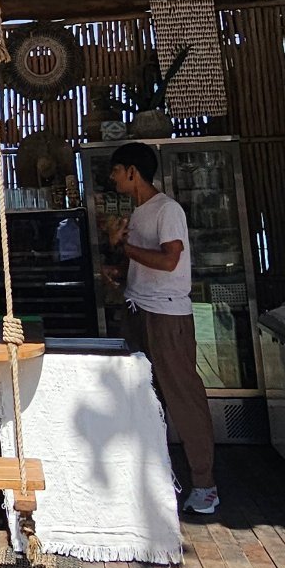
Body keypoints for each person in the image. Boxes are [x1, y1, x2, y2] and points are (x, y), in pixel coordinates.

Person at [104, 142, 218, 515]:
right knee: (146, 398)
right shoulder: (138, 213)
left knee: (183, 398)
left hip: (167, 315)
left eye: (116, 171)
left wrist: (125, 250)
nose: (113, 178)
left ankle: (205, 485)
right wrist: (121, 270)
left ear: (133, 171)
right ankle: (155, 478)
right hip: (140, 309)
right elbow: (147, 263)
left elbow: (170, 261)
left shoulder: (167, 210)